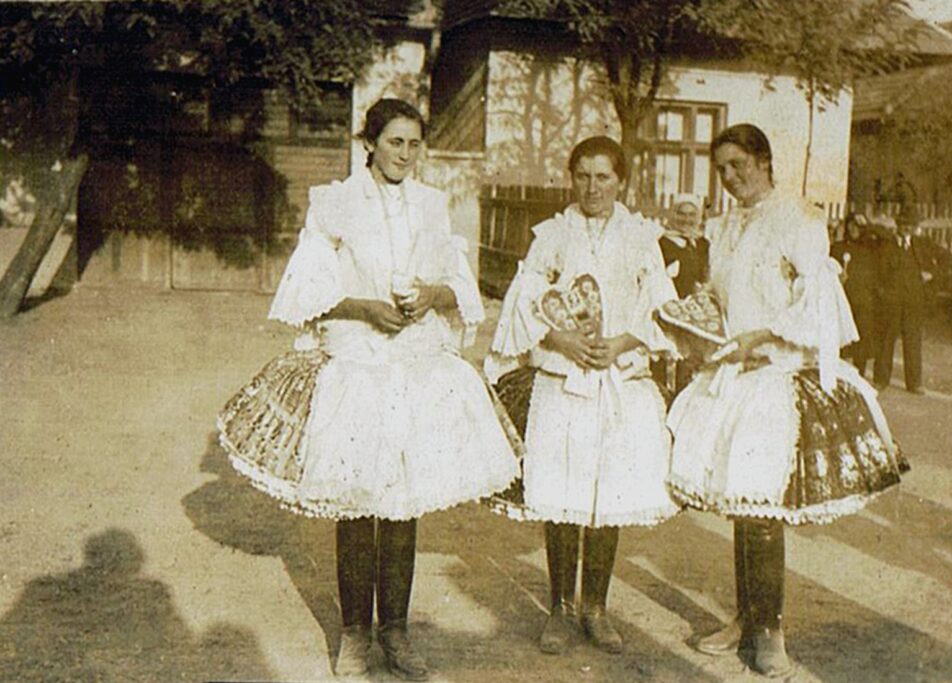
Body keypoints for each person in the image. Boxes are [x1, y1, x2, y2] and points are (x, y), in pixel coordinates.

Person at [220, 98, 518, 681]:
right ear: (370, 144)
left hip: (414, 363)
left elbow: (460, 286)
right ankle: (356, 633)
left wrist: (432, 296)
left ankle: (396, 632)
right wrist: (363, 308)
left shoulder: (433, 204)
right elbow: (307, 289)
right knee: (357, 501)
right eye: (394, 142)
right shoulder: (336, 203)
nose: (405, 154)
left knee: (402, 504)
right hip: (358, 361)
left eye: (414, 144)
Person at [664, 124, 906, 677]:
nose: (729, 178)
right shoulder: (725, 225)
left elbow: (817, 302)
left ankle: (771, 630)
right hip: (734, 372)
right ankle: (746, 618)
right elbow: (723, 296)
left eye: (738, 165)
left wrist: (762, 339)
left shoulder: (798, 219)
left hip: (775, 374)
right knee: (741, 502)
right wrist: (702, 318)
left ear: (763, 161)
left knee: (763, 503)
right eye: (721, 169)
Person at [485, 136, 679, 656]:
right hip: (563, 376)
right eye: (583, 176)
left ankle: (595, 606)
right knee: (563, 492)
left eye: (603, 177)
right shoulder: (552, 235)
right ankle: (560, 607)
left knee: (606, 493)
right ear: (571, 178)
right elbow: (523, 301)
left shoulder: (641, 237)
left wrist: (622, 343)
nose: (593, 188)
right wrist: (561, 340)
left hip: (617, 377)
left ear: (621, 181)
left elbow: (661, 305)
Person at [873, 204, 933, 394]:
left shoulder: (920, 245)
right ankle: (881, 379)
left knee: (913, 340)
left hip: (913, 301)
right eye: (904, 223)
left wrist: (931, 274)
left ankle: (914, 383)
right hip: (891, 300)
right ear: (898, 224)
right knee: (886, 340)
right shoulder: (887, 244)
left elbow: (941, 261)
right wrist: (883, 293)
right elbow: (879, 271)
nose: (907, 227)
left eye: (911, 224)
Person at [655, 194, 711, 394]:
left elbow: (707, 275)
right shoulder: (662, 243)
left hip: (695, 314)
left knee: (691, 365)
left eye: (691, 215)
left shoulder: (703, 244)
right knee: (667, 361)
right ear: (673, 214)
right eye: (681, 214)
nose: (686, 220)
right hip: (669, 311)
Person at [830, 212, 883, 376]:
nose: (853, 229)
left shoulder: (871, 248)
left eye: (858, 226)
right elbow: (827, 269)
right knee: (841, 342)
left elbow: (887, 237)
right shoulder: (838, 248)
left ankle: (859, 375)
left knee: (862, 343)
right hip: (843, 301)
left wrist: (869, 225)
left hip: (864, 302)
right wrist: (837, 278)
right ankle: (839, 375)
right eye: (851, 225)